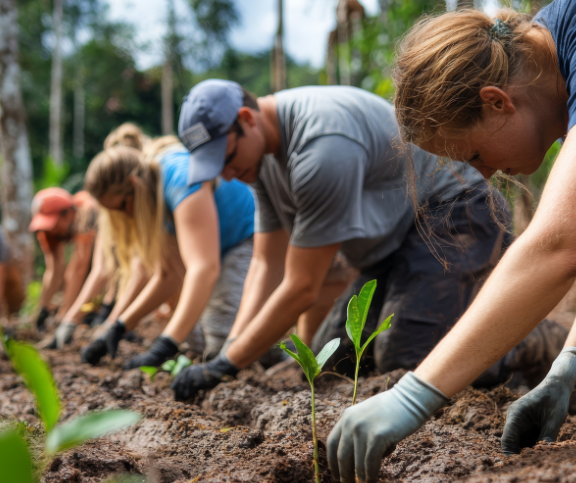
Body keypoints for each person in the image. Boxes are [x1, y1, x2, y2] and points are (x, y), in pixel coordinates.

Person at [326, 0, 576, 483]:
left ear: (497, 101)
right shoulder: (558, 49)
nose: (484, 174)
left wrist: (415, 395)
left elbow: (559, 247)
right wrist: (572, 362)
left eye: (473, 153)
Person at [169, 79, 542, 402]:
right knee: (330, 368)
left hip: (454, 212)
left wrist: (226, 365)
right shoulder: (262, 161)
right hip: (394, 242)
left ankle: (529, 344)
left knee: (408, 359)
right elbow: (267, 264)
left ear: (246, 120)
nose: (230, 175)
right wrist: (230, 353)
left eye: (227, 158)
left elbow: (301, 287)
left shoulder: (321, 146)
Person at [79, 138, 255, 368]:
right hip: (219, 249)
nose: (125, 217)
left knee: (220, 331)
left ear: (134, 186)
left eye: (122, 207)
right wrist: (119, 327)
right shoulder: (153, 194)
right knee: (194, 339)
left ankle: (272, 356)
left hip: (248, 237)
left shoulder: (181, 179)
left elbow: (204, 269)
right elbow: (169, 275)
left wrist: (165, 345)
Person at [49, 123, 151, 349]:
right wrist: (69, 320)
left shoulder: (146, 200)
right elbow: (102, 269)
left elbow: (144, 268)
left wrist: (114, 323)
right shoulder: (109, 208)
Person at [30, 188, 98, 332]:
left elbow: (78, 268)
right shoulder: (47, 231)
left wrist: (65, 315)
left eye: (54, 223)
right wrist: (43, 308)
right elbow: (53, 270)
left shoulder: (86, 211)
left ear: (68, 213)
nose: (52, 230)